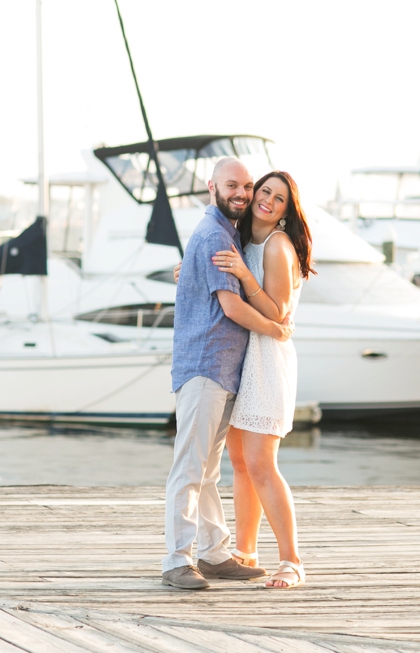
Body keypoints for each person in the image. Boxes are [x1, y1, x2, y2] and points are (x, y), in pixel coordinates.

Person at [162, 157, 294, 591]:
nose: (242, 193)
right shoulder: (215, 233)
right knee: (190, 467)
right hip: (205, 365)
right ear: (212, 186)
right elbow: (232, 307)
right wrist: (277, 328)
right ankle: (177, 560)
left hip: (224, 369)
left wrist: (187, 272)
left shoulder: (229, 234)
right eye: (232, 185)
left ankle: (215, 553)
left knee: (208, 470)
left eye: (246, 185)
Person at [211, 170, 314, 589]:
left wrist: (243, 274)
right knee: (239, 463)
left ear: (288, 212)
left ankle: (292, 560)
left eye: (279, 199)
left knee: (261, 463)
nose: (268, 200)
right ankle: (246, 550)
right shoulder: (241, 239)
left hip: (268, 359)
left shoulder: (277, 246)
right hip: (243, 357)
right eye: (264, 191)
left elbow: (276, 315)